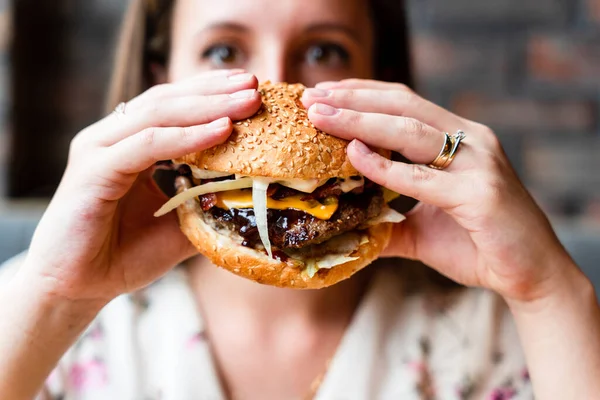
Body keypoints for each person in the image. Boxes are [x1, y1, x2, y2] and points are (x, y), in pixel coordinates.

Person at [1, 0, 599, 398]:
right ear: (161, 78)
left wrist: (547, 292)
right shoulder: (63, 328)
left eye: (323, 52)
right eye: (223, 53)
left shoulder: (488, 339)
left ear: (382, 79)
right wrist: (55, 298)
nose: (275, 89)